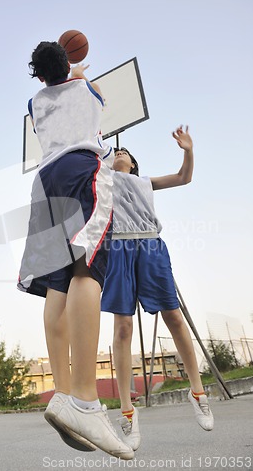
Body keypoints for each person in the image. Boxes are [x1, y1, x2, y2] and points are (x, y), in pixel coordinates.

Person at [17, 41, 133, 460]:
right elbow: (88, 83)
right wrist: (79, 68)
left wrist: (65, 66)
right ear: (67, 65)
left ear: (40, 75)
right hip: (80, 170)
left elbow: (58, 80)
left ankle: (63, 393)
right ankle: (85, 400)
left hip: (44, 183)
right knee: (88, 271)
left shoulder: (36, 102)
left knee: (57, 284)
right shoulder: (87, 90)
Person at [101, 126, 214, 451]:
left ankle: (198, 393)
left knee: (174, 317)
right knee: (122, 328)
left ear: (134, 165)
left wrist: (188, 150)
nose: (120, 154)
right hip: (119, 248)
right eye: (116, 153)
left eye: (126, 154)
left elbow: (183, 177)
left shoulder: (144, 182)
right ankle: (127, 412)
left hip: (149, 246)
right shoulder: (104, 181)